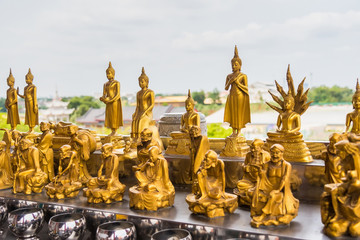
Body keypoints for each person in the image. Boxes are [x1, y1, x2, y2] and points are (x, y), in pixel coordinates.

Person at [251, 144, 299, 227]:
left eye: (277, 153)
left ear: (282, 153)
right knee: (255, 193)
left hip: (281, 190)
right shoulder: (267, 164)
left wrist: (278, 190)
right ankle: (257, 213)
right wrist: (260, 173)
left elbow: (285, 179)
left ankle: (263, 216)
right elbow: (263, 177)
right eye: (272, 153)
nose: (275, 155)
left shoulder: (287, 165)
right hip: (268, 187)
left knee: (273, 195)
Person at [130, 146, 175, 211]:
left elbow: (166, 177)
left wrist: (168, 187)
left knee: (148, 187)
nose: (151, 158)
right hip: (148, 179)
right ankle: (143, 185)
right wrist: (147, 164)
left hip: (157, 182)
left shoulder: (162, 162)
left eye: (152, 156)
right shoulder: (149, 160)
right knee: (137, 173)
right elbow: (141, 170)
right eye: (149, 156)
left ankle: (145, 186)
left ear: (157, 154)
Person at [223, 45, 251, 137]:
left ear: (240, 65)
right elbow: (226, 88)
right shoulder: (229, 76)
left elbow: (246, 88)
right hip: (232, 96)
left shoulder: (243, 76)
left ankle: (239, 131)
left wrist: (238, 84)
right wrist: (230, 82)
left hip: (240, 96)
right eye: (232, 65)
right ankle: (233, 131)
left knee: (238, 113)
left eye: (236, 65)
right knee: (232, 113)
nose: (234, 66)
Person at [236, 139, 270, 206]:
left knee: (264, 189)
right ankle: (251, 190)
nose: (252, 150)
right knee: (239, 184)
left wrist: (261, 171)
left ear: (261, 147)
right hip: (250, 179)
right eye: (251, 148)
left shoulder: (266, 155)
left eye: (255, 148)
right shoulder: (248, 155)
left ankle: (253, 192)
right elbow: (244, 164)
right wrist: (246, 168)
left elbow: (269, 168)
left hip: (261, 180)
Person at [99, 62, 123, 136]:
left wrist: (111, 100)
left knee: (114, 116)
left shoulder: (116, 83)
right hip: (108, 103)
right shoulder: (105, 84)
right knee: (109, 116)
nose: (108, 75)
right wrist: (103, 99)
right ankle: (112, 131)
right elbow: (104, 95)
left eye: (109, 73)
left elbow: (118, 94)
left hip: (114, 102)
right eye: (107, 74)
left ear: (113, 74)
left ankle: (115, 131)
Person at [131, 67, 155, 140]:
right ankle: (135, 138)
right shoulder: (138, 93)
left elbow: (152, 104)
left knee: (141, 120)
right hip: (140, 111)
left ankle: (142, 138)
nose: (141, 83)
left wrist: (145, 112)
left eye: (142, 81)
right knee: (135, 119)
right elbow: (138, 105)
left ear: (147, 82)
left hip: (147, 113)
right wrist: (135, 113)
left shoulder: (150, 92)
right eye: (139, 82)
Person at [17, 68, 38, 133]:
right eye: (25, 79)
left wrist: (35, 105)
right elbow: (24, 96)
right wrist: (18, 94)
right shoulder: (25, 88)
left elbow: (34, 97)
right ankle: (30, 128)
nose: (26, 80)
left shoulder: (33, 87)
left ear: (31, 79)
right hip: (27, 103)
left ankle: (32, 129)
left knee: (32, 115)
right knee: (28, 115)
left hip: (32, 102)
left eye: (27, 79)